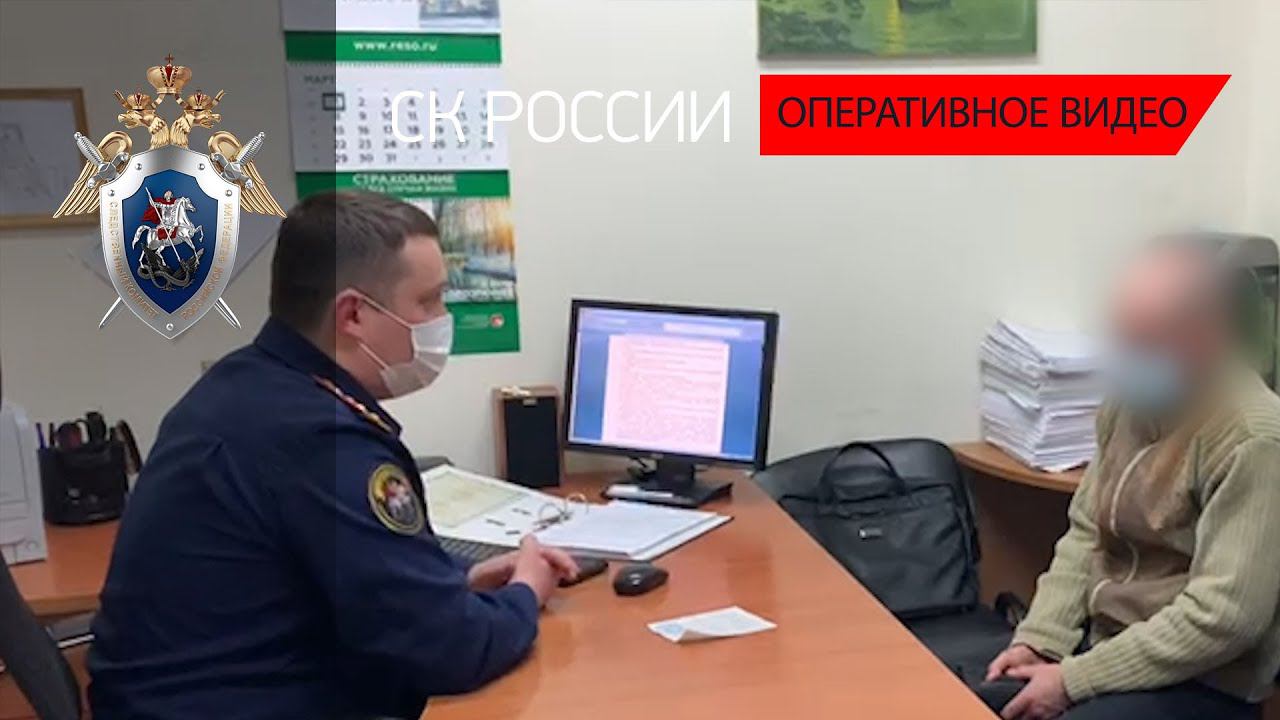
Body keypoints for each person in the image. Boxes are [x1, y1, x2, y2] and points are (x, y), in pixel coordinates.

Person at [88, 190, 578, 719]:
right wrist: (526, 591)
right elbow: (453, 649)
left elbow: (348, 570)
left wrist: (459, 579)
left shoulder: (249, 385)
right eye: (429, 301)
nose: (442, 319)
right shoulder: (318, 439)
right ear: (353, 315)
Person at [984, 240, 1280, 720]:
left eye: (1147, 343)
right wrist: (1040, 642)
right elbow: (1086, 535)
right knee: (965, 700)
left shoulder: (1253, 437)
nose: (1129, 359)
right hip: (1107, 646)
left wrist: (1074, 681)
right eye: (1124, 340)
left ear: (1206, 335)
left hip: (1204, 679)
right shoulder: (1130, 402)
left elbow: (1225, 618)